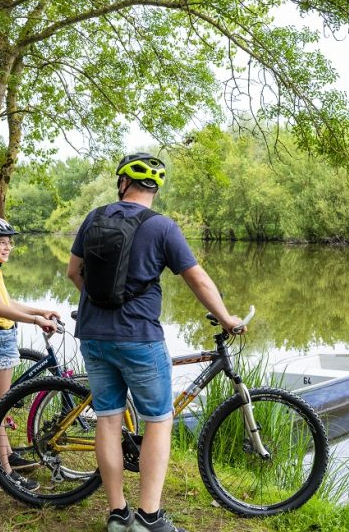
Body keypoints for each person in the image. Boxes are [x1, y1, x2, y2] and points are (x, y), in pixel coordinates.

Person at [67, 153, 246, 532]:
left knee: (107, 421)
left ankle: (118, 515)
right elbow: (197, 279)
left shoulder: (94, 217)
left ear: (122, 183)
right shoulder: (162, 227)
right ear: (155, 190)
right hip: (138, 338)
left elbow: (72, 272)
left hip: (93, 335)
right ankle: (149, 517)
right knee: (158, 423)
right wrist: (227, 318)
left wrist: (100, 304)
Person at [0, 217, 61, 491]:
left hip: (3, 336)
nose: (7, 247)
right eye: (1, 243)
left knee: (2, 404)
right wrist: (37, 322)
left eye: (9, 243)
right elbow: (0, 309)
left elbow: (8, 302)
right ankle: (3, 473)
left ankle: (7, 457)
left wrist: (39, 310)